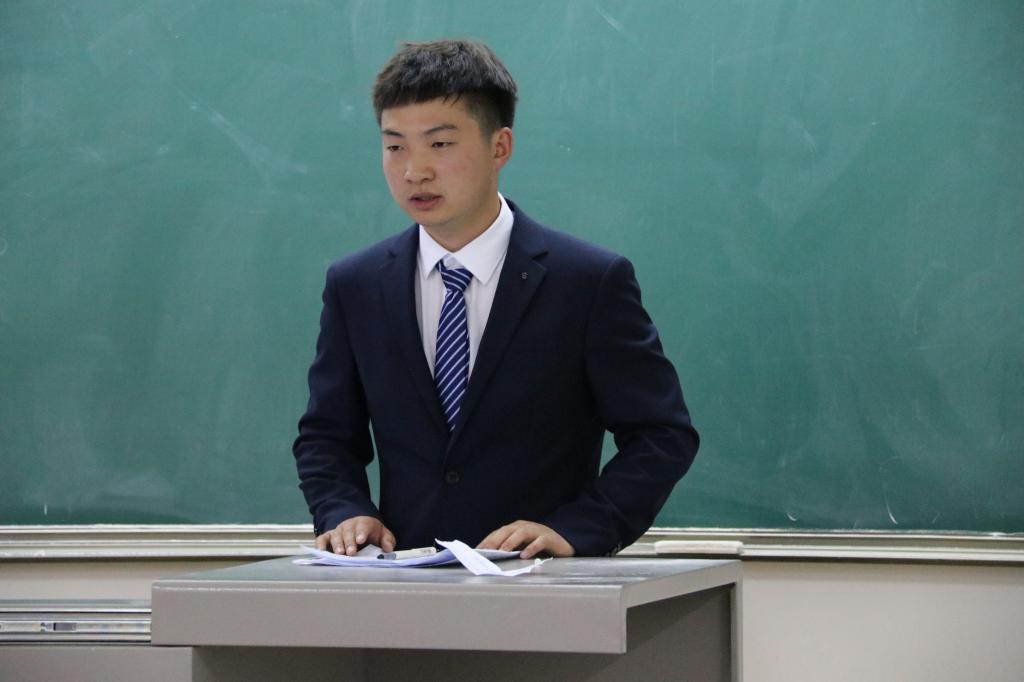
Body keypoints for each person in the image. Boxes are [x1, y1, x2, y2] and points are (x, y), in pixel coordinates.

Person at [293, 39, 698, 559]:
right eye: (395, 147)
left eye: (440, 144)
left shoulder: (587, 281)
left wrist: (579, 529)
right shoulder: (357, 284)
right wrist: (343, 509)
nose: (414, 171)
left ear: (500, 147)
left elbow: (662, 434)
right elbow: (326, 436)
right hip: (404, 583)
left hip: (545, 582)